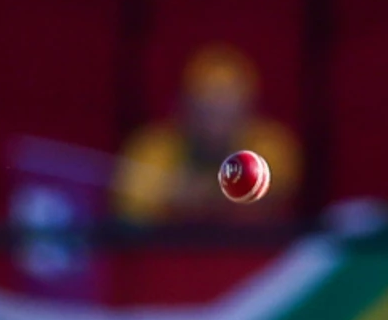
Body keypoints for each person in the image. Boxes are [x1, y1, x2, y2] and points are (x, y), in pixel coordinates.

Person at [112, 43, 300, 224]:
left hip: (252, 255)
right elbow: (130, 211)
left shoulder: (272, 145)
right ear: (184, 105)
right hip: (169, 254)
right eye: (206, 108)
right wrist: (169, 196)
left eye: (226, 107)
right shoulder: (152, 147)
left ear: (247, 108)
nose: (216, 120)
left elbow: (271, 196)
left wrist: (207, 194)